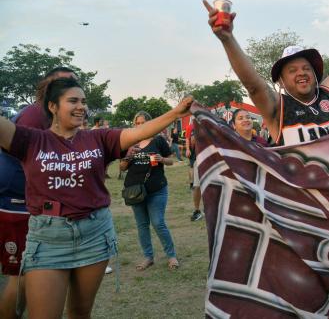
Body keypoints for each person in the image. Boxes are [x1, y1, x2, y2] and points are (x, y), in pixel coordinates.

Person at [0, 77, 193, 319]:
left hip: (94, 234)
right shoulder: (31, 140)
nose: (81, 106)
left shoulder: (99, 138)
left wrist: (175, 112)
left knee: (80, 313)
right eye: (73, 101)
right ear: (52, 106)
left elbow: (139, 132)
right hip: (48, 238)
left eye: (83, 101)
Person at [202, 0, 329, 147]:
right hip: (303, 193)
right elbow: (253, 85)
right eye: (292, 70)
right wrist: (227, 39)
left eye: (306, 68)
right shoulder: (278, 107)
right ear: (281, 82)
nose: (301, 73)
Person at [0, 66, 76, 319]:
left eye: (73, 83)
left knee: (31, 272)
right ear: (46, 89)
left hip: (28, 202)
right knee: (21, 276)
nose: (68, 87)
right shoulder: (34, 116)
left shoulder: (50, 117)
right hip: (17, 202)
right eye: (61, 83)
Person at [120, 111, 179, 271]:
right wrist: (128, 156)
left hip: (156, 188)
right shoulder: (130, 142)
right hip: (135, 191)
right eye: (137, 123)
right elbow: (122, 167)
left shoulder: (158, 140)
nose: (140, 125)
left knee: (158, 223)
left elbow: (171, 161)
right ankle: (148, 257)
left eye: (143, 122)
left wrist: (162, 159)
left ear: (149, 123)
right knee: (142, 225)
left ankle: (171, 255)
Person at [185, 117, 203, 221]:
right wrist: (188, 149)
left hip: (209, 160)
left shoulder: (209, 127)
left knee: (201, 186)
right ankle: (197, 210)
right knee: (197, 186)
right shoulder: (192, 128)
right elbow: (190, 140)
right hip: (198, 159)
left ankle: (200, 210)